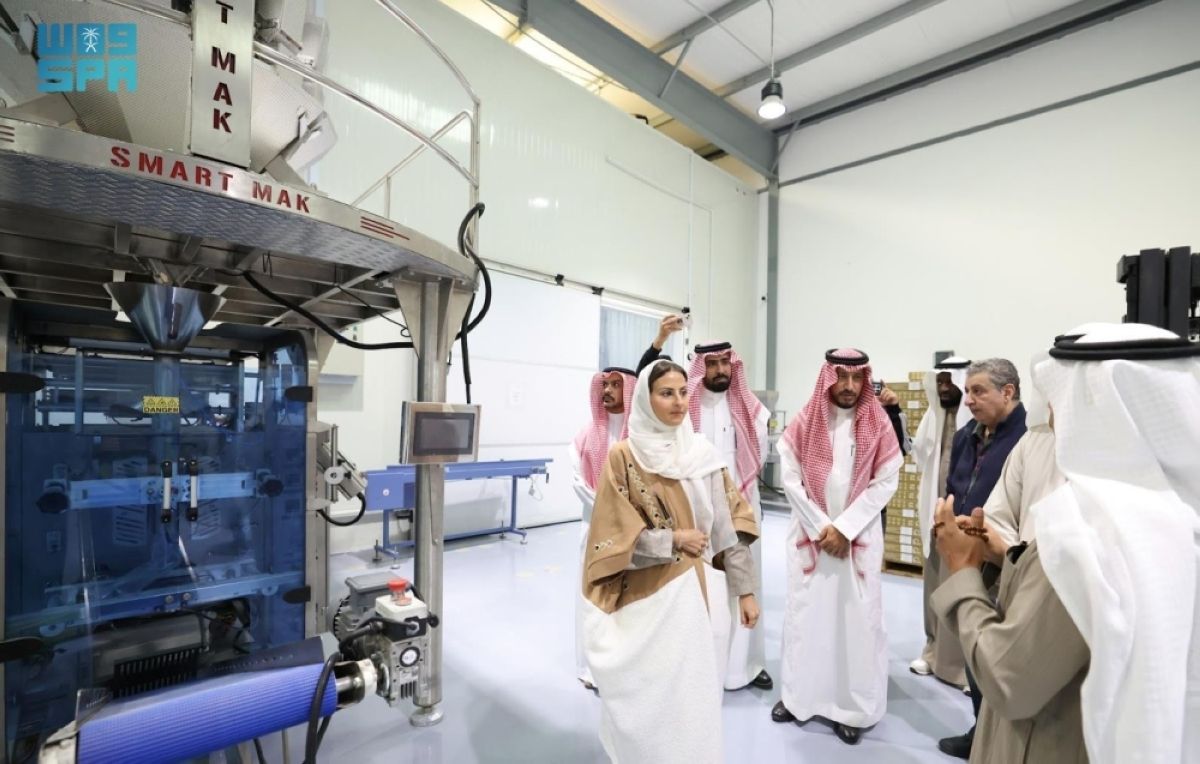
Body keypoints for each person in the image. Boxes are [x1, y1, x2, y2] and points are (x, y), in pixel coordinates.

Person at [932, 323, 1200, 763]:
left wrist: (962, 572)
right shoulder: (1179, 513)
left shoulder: (1087, 532)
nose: (1052, 409)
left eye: (1062, 394)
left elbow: (1008, 678)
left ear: (1093, 403)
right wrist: (1009, 554)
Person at [582, 360, 762, 764]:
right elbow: (610, 538)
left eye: (683, 392)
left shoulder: (703, 454)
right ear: (647, 400)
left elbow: (728, 530)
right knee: (657, 703)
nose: (679, 402)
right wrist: (673, 540)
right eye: (666, 393)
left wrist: (746, 591)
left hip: (707, 599)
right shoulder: (624, 457)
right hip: (652, 601)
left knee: (699, 700)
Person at [772, 348, 901, 745]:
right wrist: (822, 527)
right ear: (828, 378)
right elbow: (790, 479)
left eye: (856, 378)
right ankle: (798, 698)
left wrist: (844, 529)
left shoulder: (878, 424)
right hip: (811, 540)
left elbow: (886, 481)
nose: (848, 386)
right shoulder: (805, 421)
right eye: (841, 377)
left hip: (856, 541)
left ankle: (852, 708)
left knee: (857, 623)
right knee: (805, 618)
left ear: (865, 380)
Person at [937, 358, 1028, 759]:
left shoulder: (1029, 440)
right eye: (968, 391)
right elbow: (954, 486)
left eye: (979, 391)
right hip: (969, 557)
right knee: (975, 650)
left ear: (1008, 392)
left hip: (1008, 560)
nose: (969, 400)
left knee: (1003, 657)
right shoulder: (965, 437)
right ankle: (981, 732)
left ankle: (1001, 741)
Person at [688, 340, 772, 690]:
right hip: (697, 511)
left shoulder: (753, 411)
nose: (721, 369)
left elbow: (758, 456)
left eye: (726, 362)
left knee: (746, 584)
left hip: (740, 509)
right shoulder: (685, 408)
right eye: (713, 363)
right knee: (701, 586)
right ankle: (701, 664)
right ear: (701, 367)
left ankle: (745, 666)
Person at [569, 366, 636, 689]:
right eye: (604, 385)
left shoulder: (639, 435)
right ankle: (592, 668)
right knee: (593, 596)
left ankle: (624, 665)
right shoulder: (585, 435)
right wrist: (609, 509)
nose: (607, 390)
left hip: (633, 531)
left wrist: (625, 515)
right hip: (594, 526)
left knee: (629, 599)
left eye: (615, 385)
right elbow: (577, 480)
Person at [908, 357, 973, 685]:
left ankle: (965, 667)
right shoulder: (932, 416)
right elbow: (920, 455)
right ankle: (932, 650)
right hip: (933, 518)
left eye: (950, 382)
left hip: (963, 521)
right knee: (933, 584)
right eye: (940, 382)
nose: (945, 388)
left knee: (963, 587)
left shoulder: (974, 421)